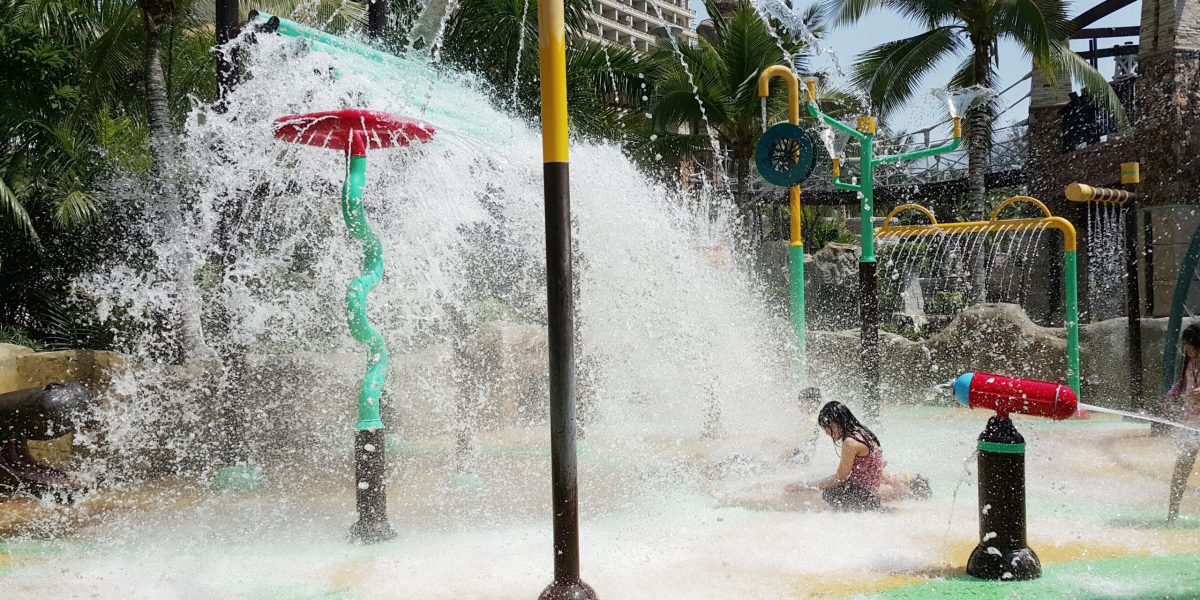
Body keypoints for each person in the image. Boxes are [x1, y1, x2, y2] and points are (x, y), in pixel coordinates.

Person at [785, 401, 884, 511]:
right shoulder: (863, 432)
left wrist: (806, 486)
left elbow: (840, 479)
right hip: (867, 492)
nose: (827, 433)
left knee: (800, 498)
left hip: (861, 497)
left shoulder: (850, 442)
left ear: (837, 423)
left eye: (827, 428)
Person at [1166, 324, 1200, 523]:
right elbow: (1182, 383)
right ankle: (1172, 513)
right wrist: (1171, 396)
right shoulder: (1189, 361)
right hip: (1190, 420)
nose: (1188, 351)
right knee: (1182, 465)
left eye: (1191, 347)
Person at [782, 387, 824, 464]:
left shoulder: (813, 420)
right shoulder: (811, 419)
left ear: (811, 403)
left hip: (801, 460)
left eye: (802, 402)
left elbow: (806, 444)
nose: (800, 405)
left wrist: (788, 453)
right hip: (801, 457)